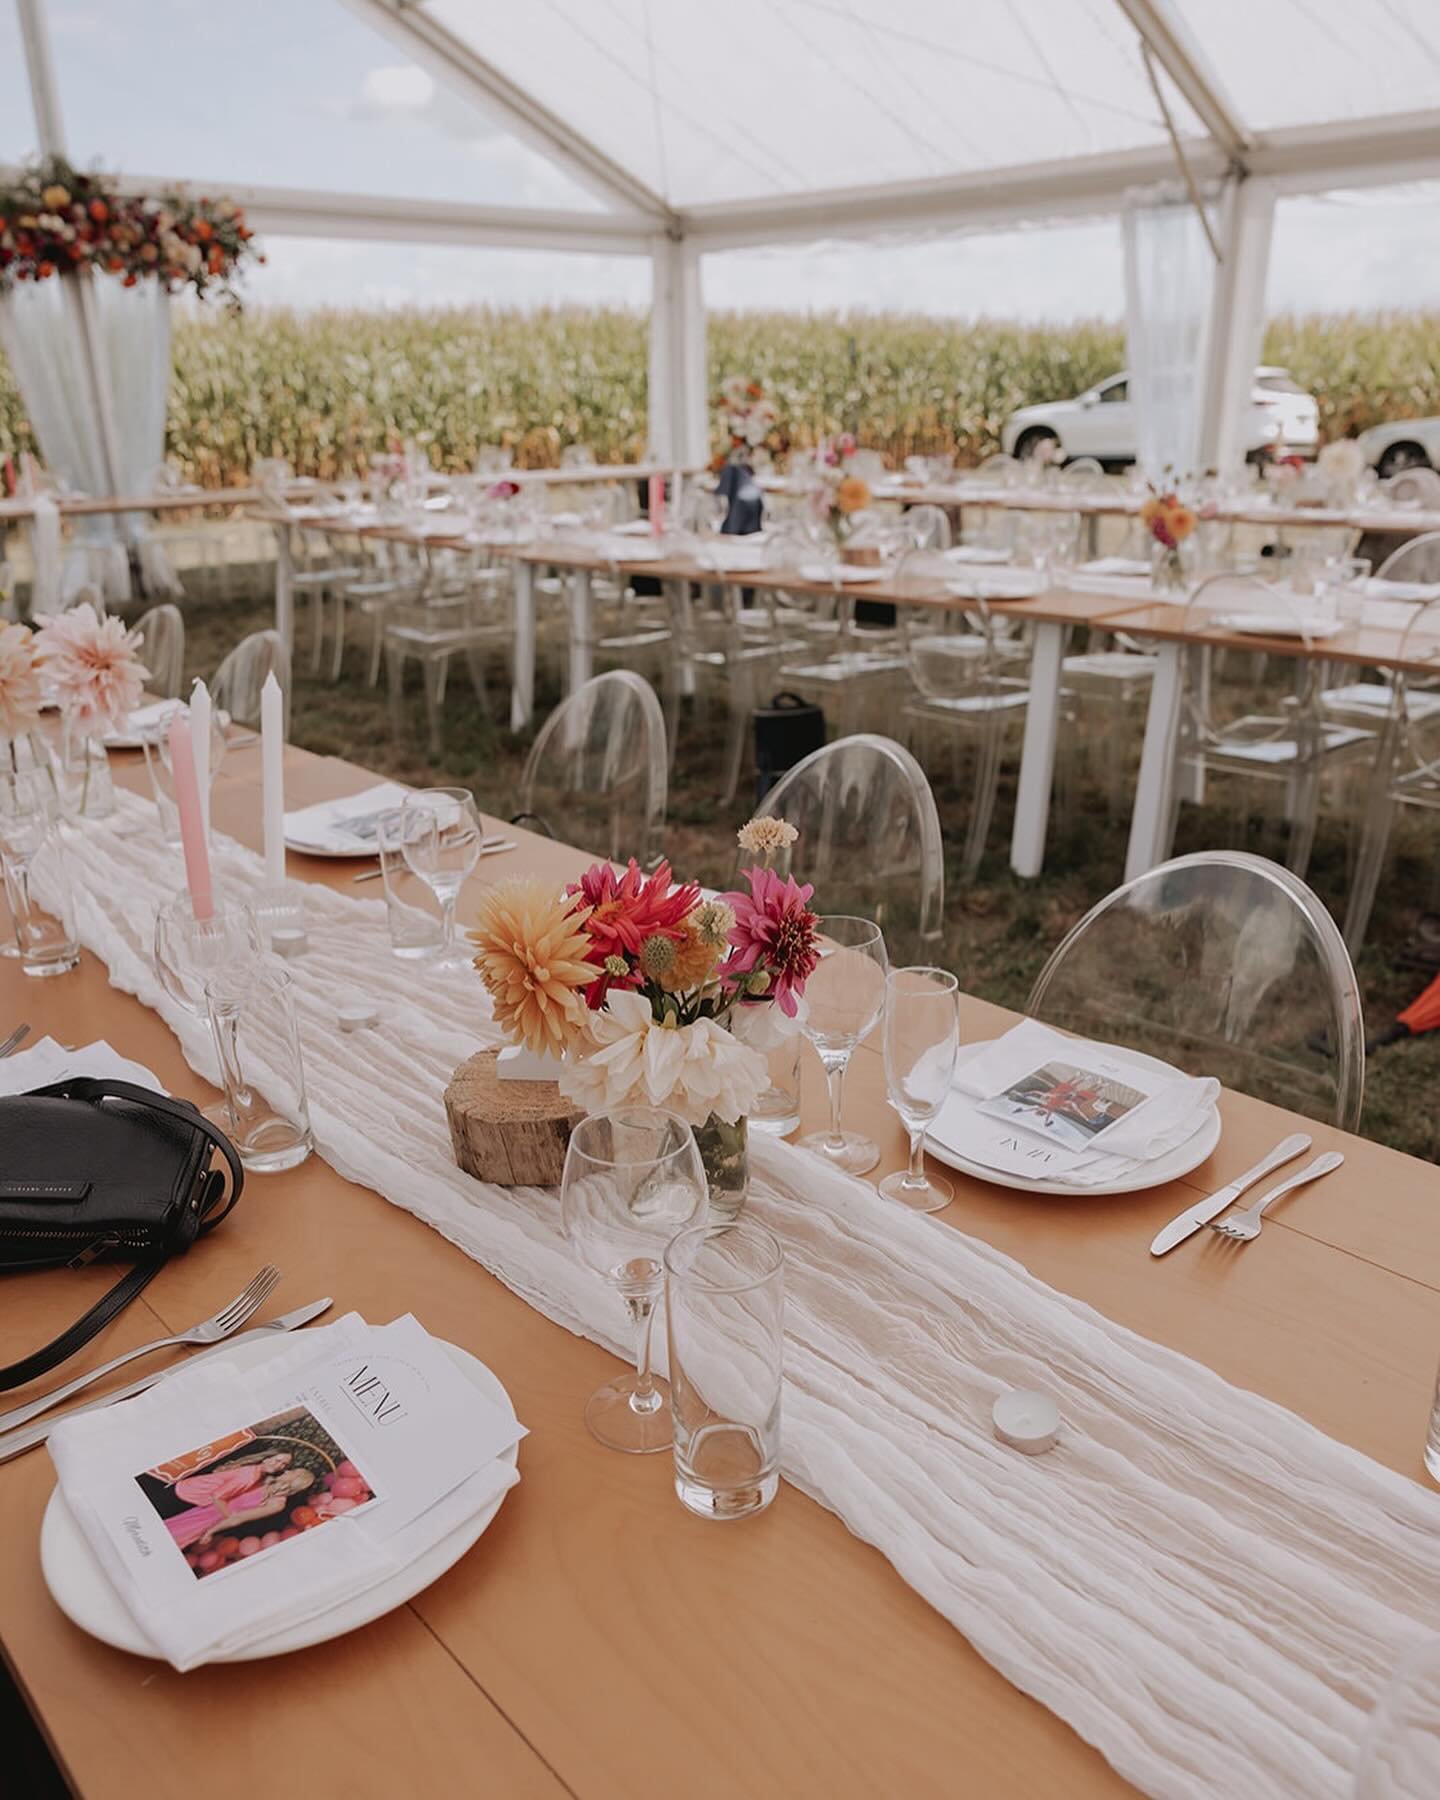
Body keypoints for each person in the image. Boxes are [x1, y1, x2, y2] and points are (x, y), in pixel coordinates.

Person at [164, 1465, 315, 1551]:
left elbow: (238, 1518)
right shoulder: (266, 1481)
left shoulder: (276, 1504)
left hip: (211, 1520)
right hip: (204, 1507)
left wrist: (211, 1531)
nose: (287, 1471)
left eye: (292, 1472)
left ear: (296, 1481)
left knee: (173, 1538)